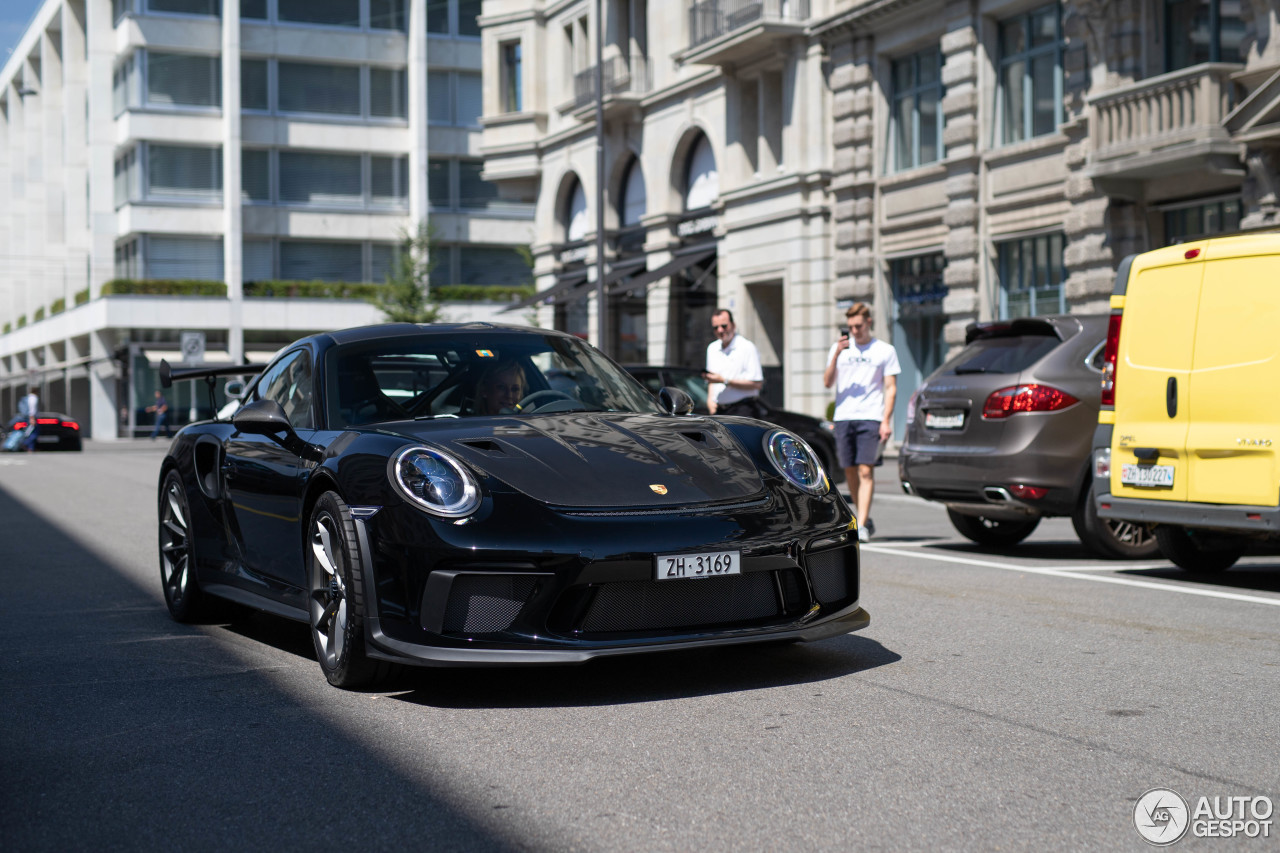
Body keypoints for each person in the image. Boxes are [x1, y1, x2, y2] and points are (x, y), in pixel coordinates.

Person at [824, 302, 900, 542]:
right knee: (850, 471)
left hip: (871, 416)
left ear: (868, 322)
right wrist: (836, 353)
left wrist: (886, 420)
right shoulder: (840, 349)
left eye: (858, 326)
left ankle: (862, 523)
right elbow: (827, 382)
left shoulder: (884, 350)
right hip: (844, 417)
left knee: (866, 469)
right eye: (851, 327)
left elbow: (890, 388)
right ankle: (861, 517)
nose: (855, 331)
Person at [704, 308, 765, 417]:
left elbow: (756, 384)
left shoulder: (746, 347)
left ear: (733, 325)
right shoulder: (712, 348)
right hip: (720, 410)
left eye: (724, 326)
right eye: (715, 327)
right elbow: (711, 380)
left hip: (743, 410)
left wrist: (725, 380)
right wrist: (710, 400)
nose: (720, 330)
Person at [20, 386, 39, 452]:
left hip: (28, 417)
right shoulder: (34, 398)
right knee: (34, 432)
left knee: (30, 432)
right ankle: (25, 444)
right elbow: (32, 408)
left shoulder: (27, 397)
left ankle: (30, 448)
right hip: (32, 417)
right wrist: (32, 418)